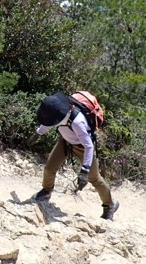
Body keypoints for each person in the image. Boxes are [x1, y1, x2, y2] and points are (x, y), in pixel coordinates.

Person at [29, 92, 119, 220]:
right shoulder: (59, 114)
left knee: (94, 178)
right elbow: (49, 121)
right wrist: (38, 133)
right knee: (49, 168)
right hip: (65, 141)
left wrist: (84, 171)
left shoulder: (78, 122)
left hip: (82, 147)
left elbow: (89, 146)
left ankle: (110, 205)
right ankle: (46, 191)